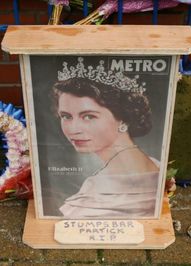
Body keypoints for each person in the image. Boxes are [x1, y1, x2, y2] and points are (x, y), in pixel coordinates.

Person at [50, 58, 159, 218]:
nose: (73, 129)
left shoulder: (97, 190)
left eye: (88, 116)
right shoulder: (153, 164)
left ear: (123, 118)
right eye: (66, 116)